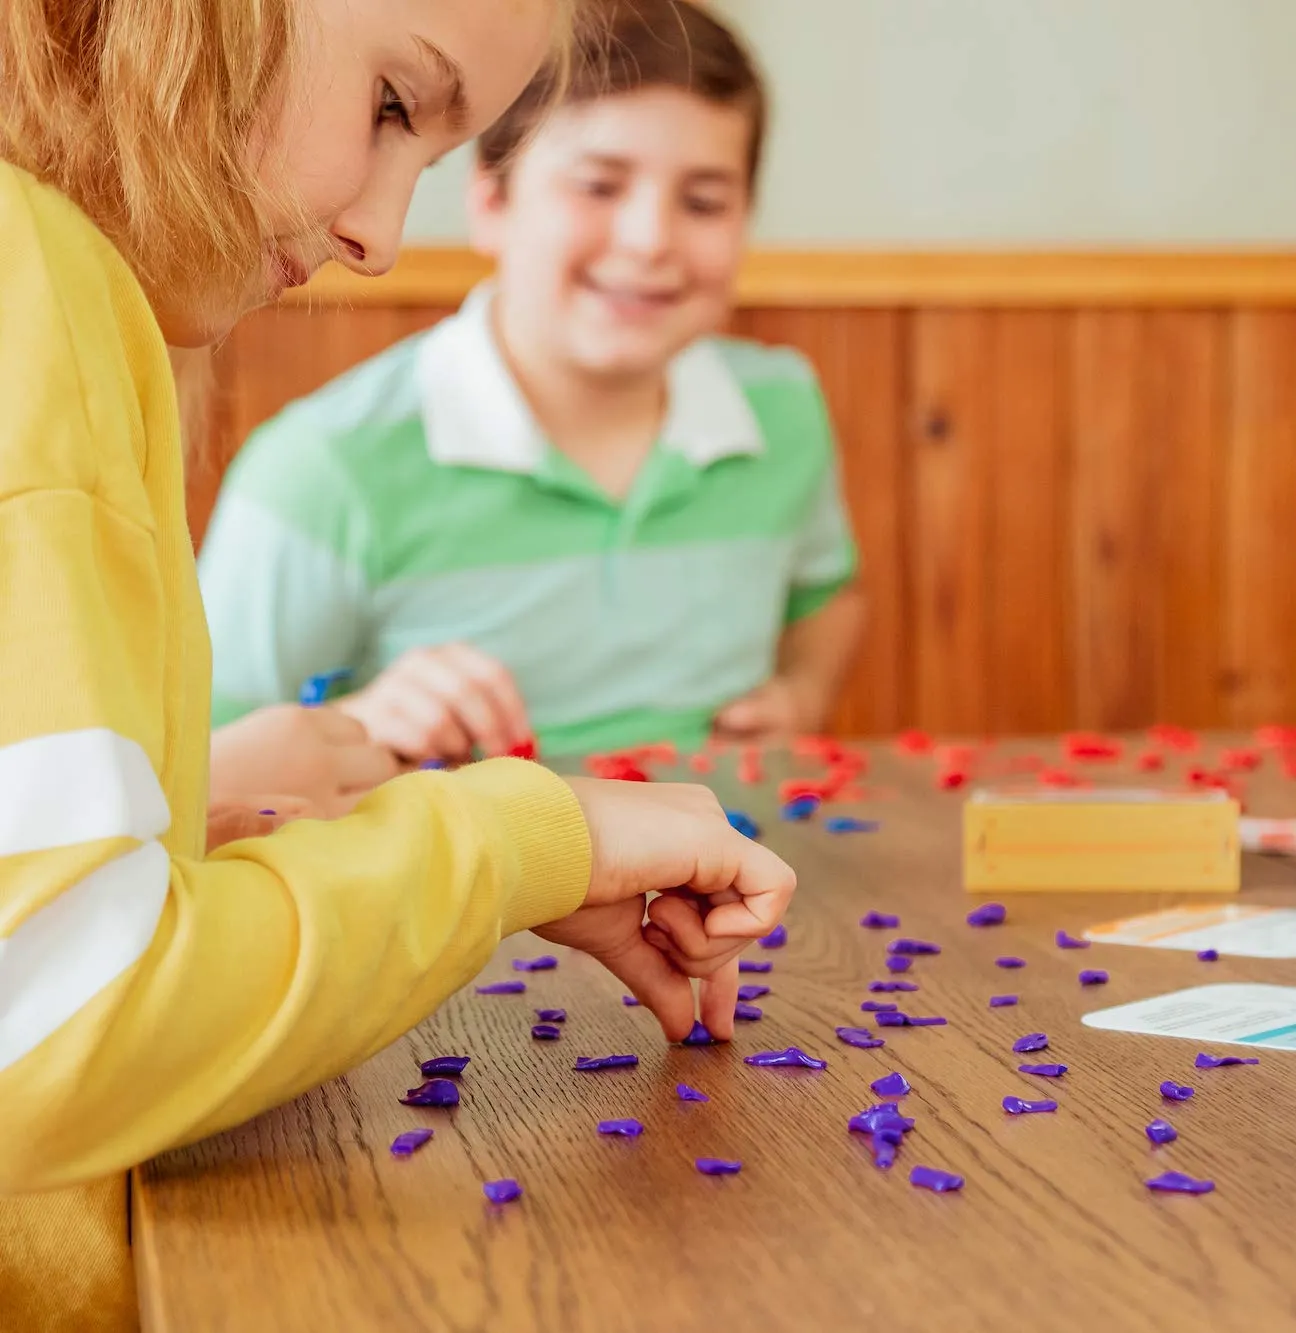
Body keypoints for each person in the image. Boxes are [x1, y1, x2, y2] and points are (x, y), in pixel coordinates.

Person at [0, 3, 796, 1328]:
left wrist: (202, 824)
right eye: (387, 107)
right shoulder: (33, 290)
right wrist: (532, 838)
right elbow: (51, 1025)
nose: (377, 235)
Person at [198, 1, 865, 764]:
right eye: (599, 186)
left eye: (704, 202)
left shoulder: (783, 410)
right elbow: (205, 761)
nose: (650, 241)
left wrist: (805, 693)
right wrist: (362, 723)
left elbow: (830, 597)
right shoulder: (323, 467)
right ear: (491, 204)